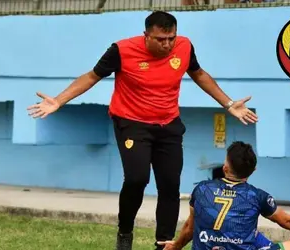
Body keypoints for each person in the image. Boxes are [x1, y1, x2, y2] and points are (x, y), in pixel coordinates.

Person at [27, 11, 258, 250]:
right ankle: (125, 232)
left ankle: (164, 243)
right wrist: (59, 100)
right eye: (160, 39)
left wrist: (229, 104)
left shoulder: (185, 46)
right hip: (132, 122)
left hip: (168, 124)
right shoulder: (121, 50)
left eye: (171, 38)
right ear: (146, 35)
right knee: (137, 179)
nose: (167, 44)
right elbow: (91, 76)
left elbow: (198, 74)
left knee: (170, 184)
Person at [158, 141, 290, 250]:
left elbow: (190, 227)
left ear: (225, 167)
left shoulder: (202, 189)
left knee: (254, 234)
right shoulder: (256, 196)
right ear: (253, 170)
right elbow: (288, 222)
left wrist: (176, 246)